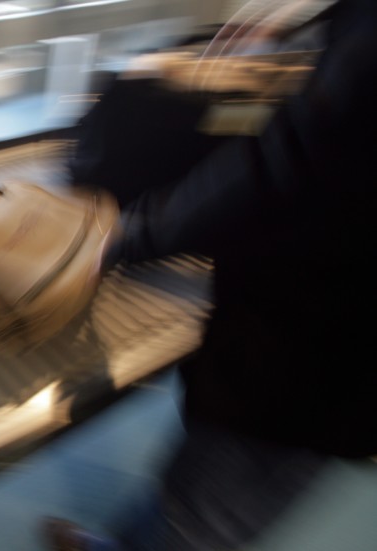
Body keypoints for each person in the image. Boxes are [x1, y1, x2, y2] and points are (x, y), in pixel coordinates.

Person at [47, 0, 377, 549]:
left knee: (208, 512)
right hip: (327, 329)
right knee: (202, 483)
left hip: (321, 346)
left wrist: (131, 236)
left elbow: (284, 165)